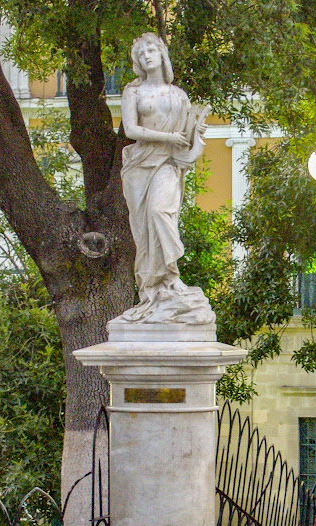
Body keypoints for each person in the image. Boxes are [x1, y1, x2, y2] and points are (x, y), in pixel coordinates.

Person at [120, 33, 210, 323]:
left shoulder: (178, 95)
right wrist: (167, 136)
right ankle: (151, 289)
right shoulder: (132, 92)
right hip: (139, 165)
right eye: (141, 53)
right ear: (138, 62)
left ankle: (171, 276)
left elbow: (184, 137)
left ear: (161, 55)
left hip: (168, 163)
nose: (146, 56)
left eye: (151, 50)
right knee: (143, 233)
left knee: (161, 212)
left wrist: (197, 132)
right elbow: (130, 130)